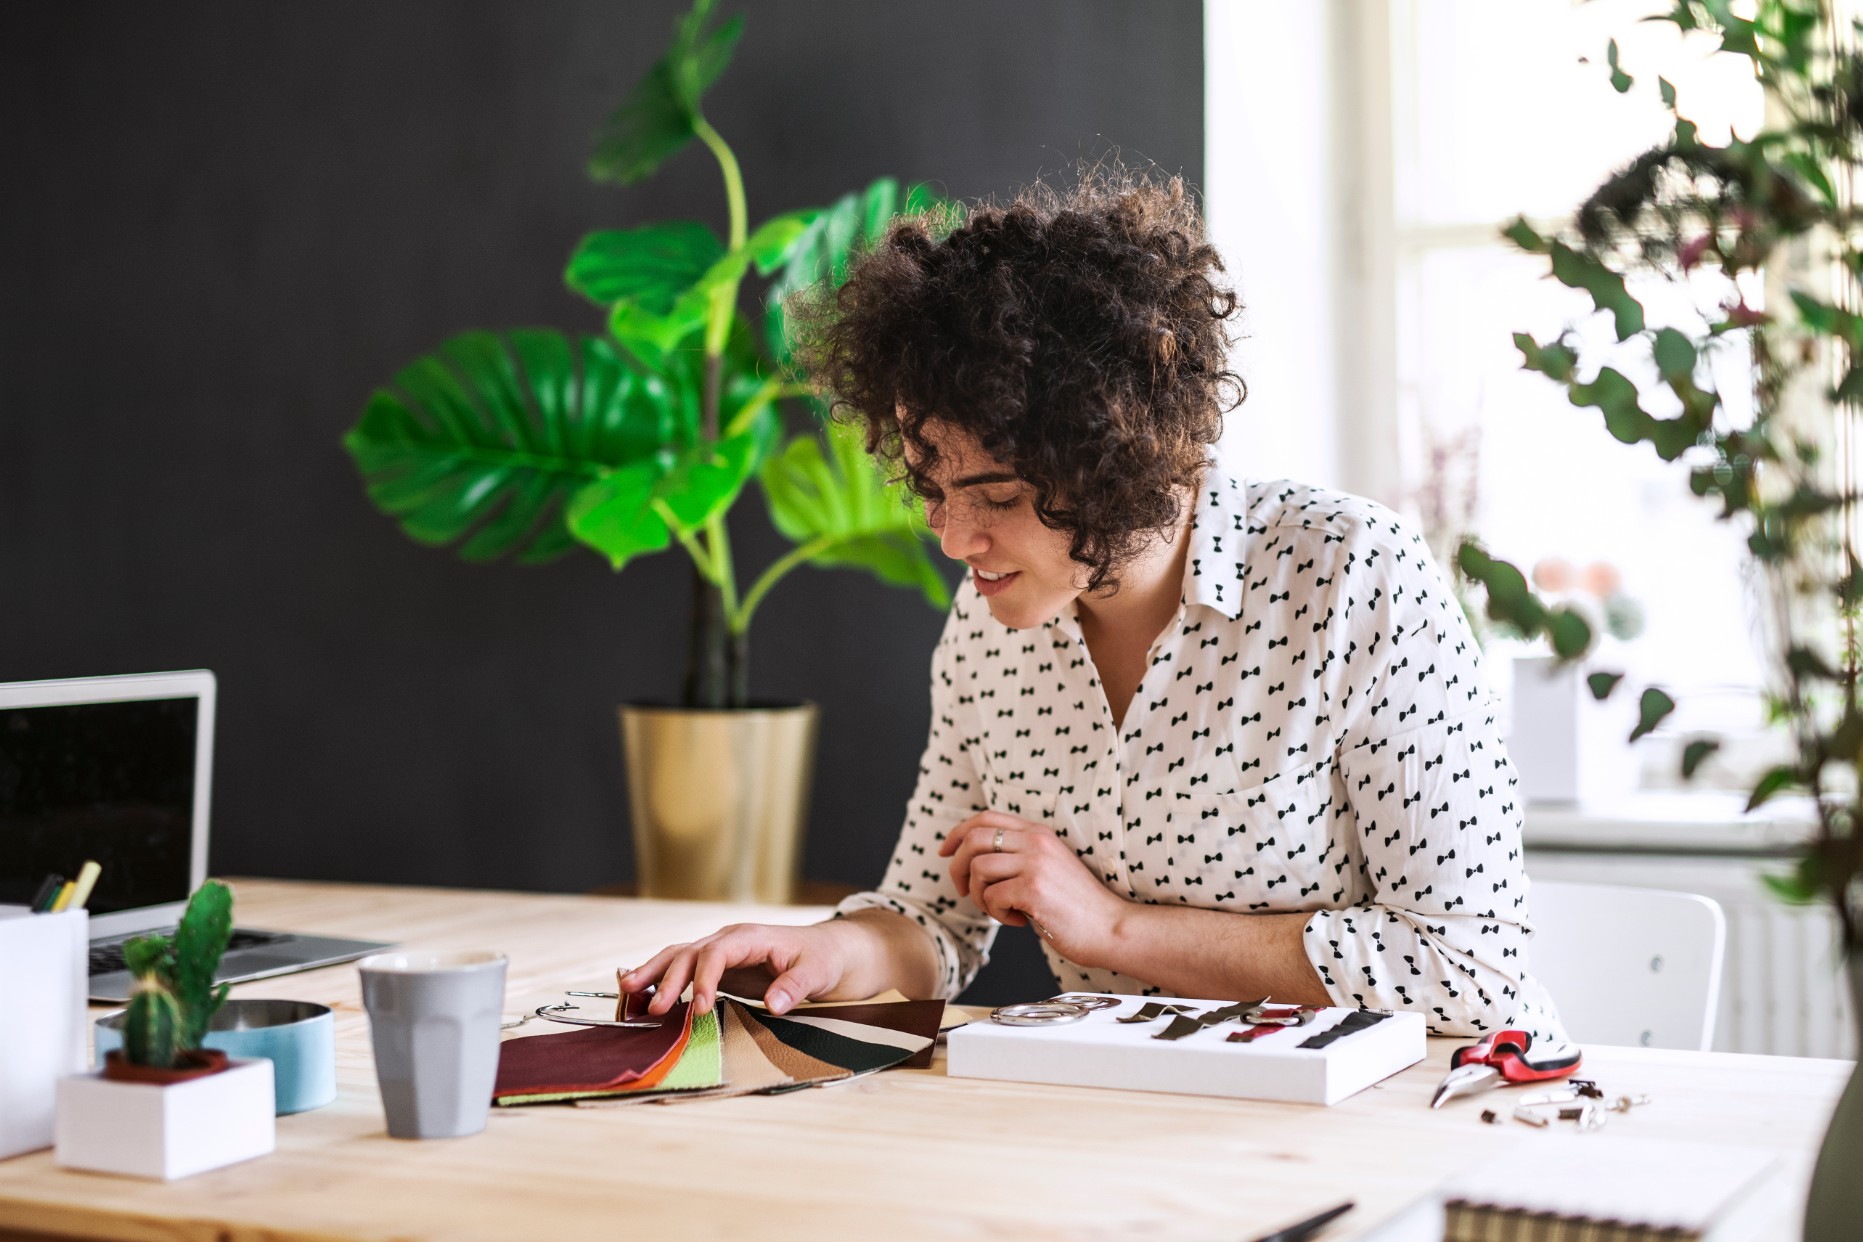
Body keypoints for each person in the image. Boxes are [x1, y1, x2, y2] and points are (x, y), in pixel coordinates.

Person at [621, 168, 1565, 1043]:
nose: (951, 539)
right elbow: (931, 922)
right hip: (1128, 1125)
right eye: (929, 488)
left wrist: (1114, 927)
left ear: (1118, 462)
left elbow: (1470, 966)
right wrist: (826, 951)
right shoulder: (992, 629)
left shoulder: (1352, 575)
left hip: (1412, 1125)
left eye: (993, 498)